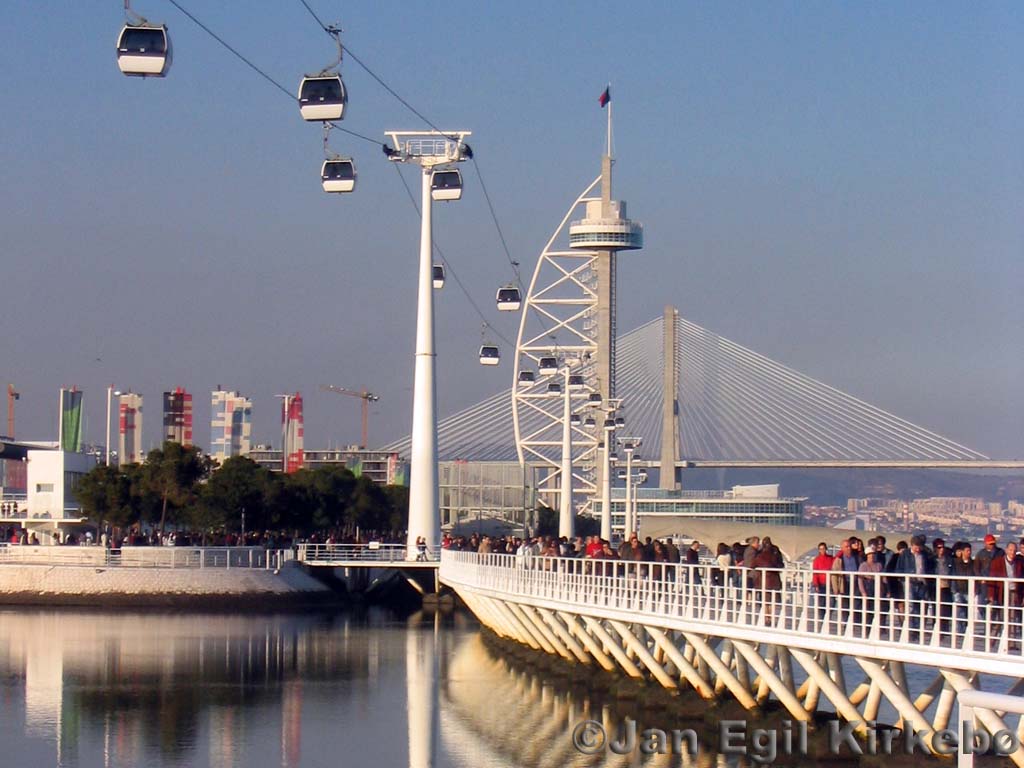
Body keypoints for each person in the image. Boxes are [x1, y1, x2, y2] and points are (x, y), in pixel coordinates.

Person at [811, 542, 834, 628]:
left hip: (830, 584)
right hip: (821, 584)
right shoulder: (817, 560)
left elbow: (836, 560)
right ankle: (822, 620)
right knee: (821, 603)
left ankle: (828, 617)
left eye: (823, 548)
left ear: (826, 549)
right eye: (820, 549)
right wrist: (816, 584)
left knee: (831, 602)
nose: (822, 550)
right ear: (819, 550)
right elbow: (815, 573)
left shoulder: (830, 558)